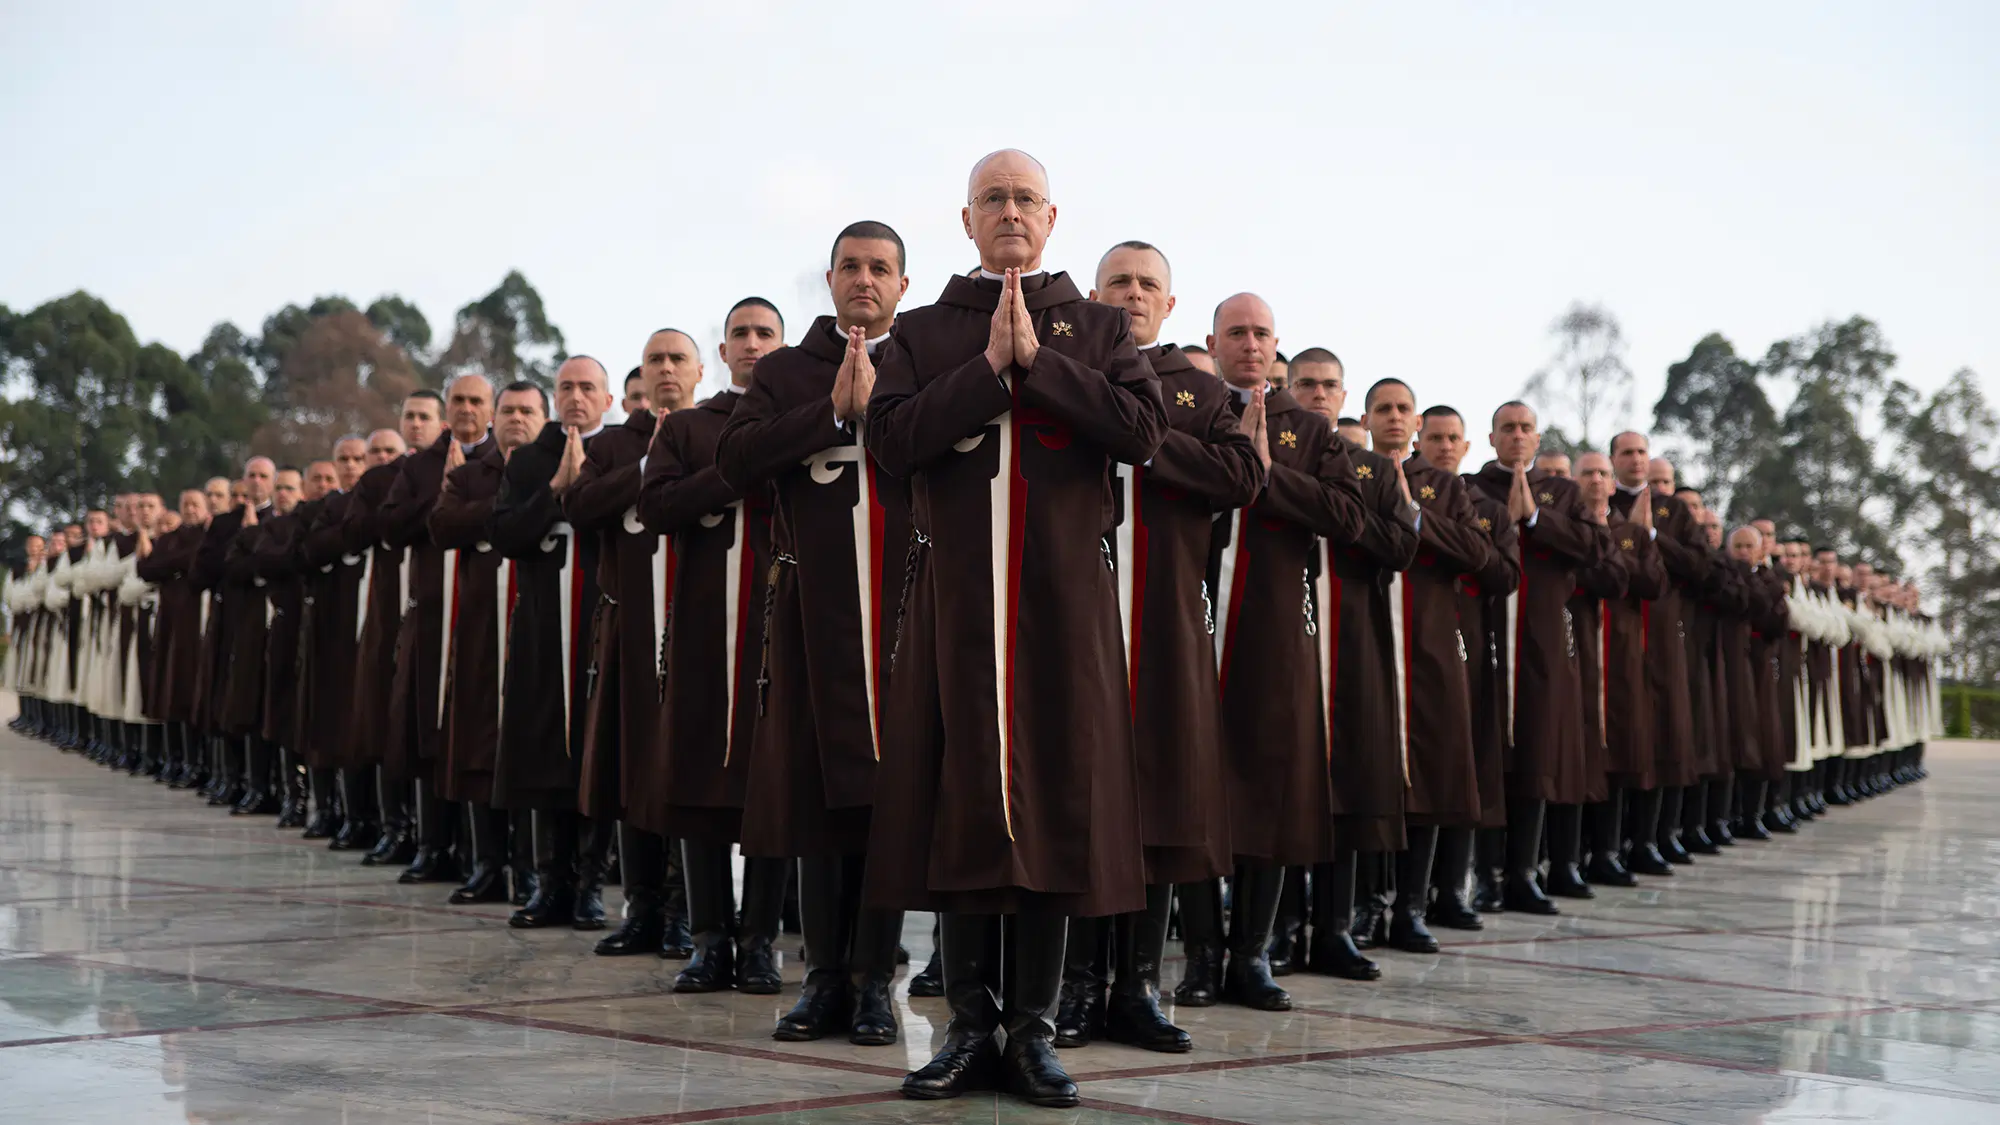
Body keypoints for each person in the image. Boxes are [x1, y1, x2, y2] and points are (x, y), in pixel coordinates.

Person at [864, 149, 1167, 1108]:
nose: (1009, 211)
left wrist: (1042, 363)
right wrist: (991, 369)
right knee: (962, 805)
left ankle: (1032, 1029)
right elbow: (889, 442)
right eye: (992, 198)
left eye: (1024, 198)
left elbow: (1142, 431)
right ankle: (965, 1027)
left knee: (1053, 810)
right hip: (957, 610)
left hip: (1060, 615)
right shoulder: (921, 331)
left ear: (1051, 215)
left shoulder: (1101, 326)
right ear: (965, 219)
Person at [715, 221, 922, 1045]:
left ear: (903, 284)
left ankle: (876, 977)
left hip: (910, 611)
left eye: (881, 268)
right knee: (815, 797)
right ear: (829, 278)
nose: (864, 279)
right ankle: (824, 977)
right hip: (812, 609)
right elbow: (735, 461)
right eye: (850, 267)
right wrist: (829, 414)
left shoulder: (925, 360)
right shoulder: (787, 370)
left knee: (889, 804)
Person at [1055, 241, 1260, 1051]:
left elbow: (1242, 477)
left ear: (1171, 307)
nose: (1133, 295)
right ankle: (1073, 985)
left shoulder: (1199, 391)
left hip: (1168, 626)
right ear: (1094, 296)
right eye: (1119, 283)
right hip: (1075, 624)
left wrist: (1142, 436)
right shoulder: (1065, 366)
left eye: (1149, 286)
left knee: (1161, 804)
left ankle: (1138, 984)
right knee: (1079, 802)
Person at [637, 305, 793, 993]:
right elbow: (658, 506)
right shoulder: (688, 428)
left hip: (777, 624)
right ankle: (709, 937)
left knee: (773, 787)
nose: (753, 344)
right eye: (741, 334)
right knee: (698, 783)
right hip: (703, 628)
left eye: (766, 334)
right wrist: (732, 471)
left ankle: (760, 940)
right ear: (722, 351)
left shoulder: (801, 417)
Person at [488, 358, 618, 929]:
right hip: (542, 624)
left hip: (602, 619)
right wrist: (555, 493)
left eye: (587, 387)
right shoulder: (529, 460)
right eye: (565, 387)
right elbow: (506, 534)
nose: (575, 397)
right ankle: (550, 883)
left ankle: (592, 883)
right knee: (543, 748)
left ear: (607, 399)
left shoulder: (618, 451)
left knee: (598, 751)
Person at [1365, 379, 1492, 952]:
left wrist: (1416, 518)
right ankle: (1362, 905)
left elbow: (1476, 554)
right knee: (1368, 772)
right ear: (1365, 418)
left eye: (1402, 409)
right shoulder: (1351, 467)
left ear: (1416, 422)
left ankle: (1412, 905)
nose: (1393, 418)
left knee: (1432, 773)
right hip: (1364, 636)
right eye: (1382, 409)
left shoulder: (1442, 486)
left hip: (1432, 643)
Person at [1464, 403, 1607, 914]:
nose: (1518, 436)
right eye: (1508, 428)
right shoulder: (1472, 488)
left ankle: (1525, 871)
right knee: (1486, 754)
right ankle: (1485, 874)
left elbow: (1595, 549)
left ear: (1538, 436)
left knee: (1535, 752)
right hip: (1484, 631)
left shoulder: (1563, 494)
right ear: (1491, 437)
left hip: (1543, 638)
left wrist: (1538, 519)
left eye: (1526, 428)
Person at [566, 342, 680, 956]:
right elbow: (579, 505)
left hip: (696, 627)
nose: (665, 370)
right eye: (654, 360)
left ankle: (690, 910)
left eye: (676, 360)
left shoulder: (715, 428)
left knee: (686, 772)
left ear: (696, 372)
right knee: (635, 772)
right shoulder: (611, 446)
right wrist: (643, 473)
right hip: (632, 631)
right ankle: (643, 908)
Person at [431, 383, 547, 906]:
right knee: (479, 741)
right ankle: (488, 862)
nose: (517, 419)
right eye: (509, 410)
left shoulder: (557, 463)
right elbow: (442, 524)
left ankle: (532, 868)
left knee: (528, 741)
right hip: (480, 624)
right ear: (493, 419)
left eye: (528, 410)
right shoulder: (467, 473)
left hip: (539, 620)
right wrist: (507, 510)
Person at [382, 375, 496, 886]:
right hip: (431, 611)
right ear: (447, 411)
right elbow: (390, 528)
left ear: (490, 410)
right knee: (429, 728)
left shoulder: (507, 458)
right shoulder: (417, 466)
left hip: (484, 613)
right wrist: (442, 497)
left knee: (477, 731)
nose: (467, 409)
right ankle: (433, 844)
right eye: (459, 401)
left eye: (476, 400)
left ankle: (486, 853)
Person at [1605, 440, 1707, 876]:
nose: (1636, 459)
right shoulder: (1601, 502)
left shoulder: (1673, 511)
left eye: (1642, 451)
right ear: (1613, 461)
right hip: (1614, 631)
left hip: (1664, 632)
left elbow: (1701, 567)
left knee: (1662, 733)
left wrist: (1650, 538)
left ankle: (1651, 839)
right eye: (1626, 452)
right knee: (1617, 735)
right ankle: (1606, 846)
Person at [336, 426, 415, 855]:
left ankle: (410, 827)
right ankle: (382, 822)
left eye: (391, 451)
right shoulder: (368, 494)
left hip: (416, 615)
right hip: (372, 623)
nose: (382, 458)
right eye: (375, 452)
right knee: (372, 721)